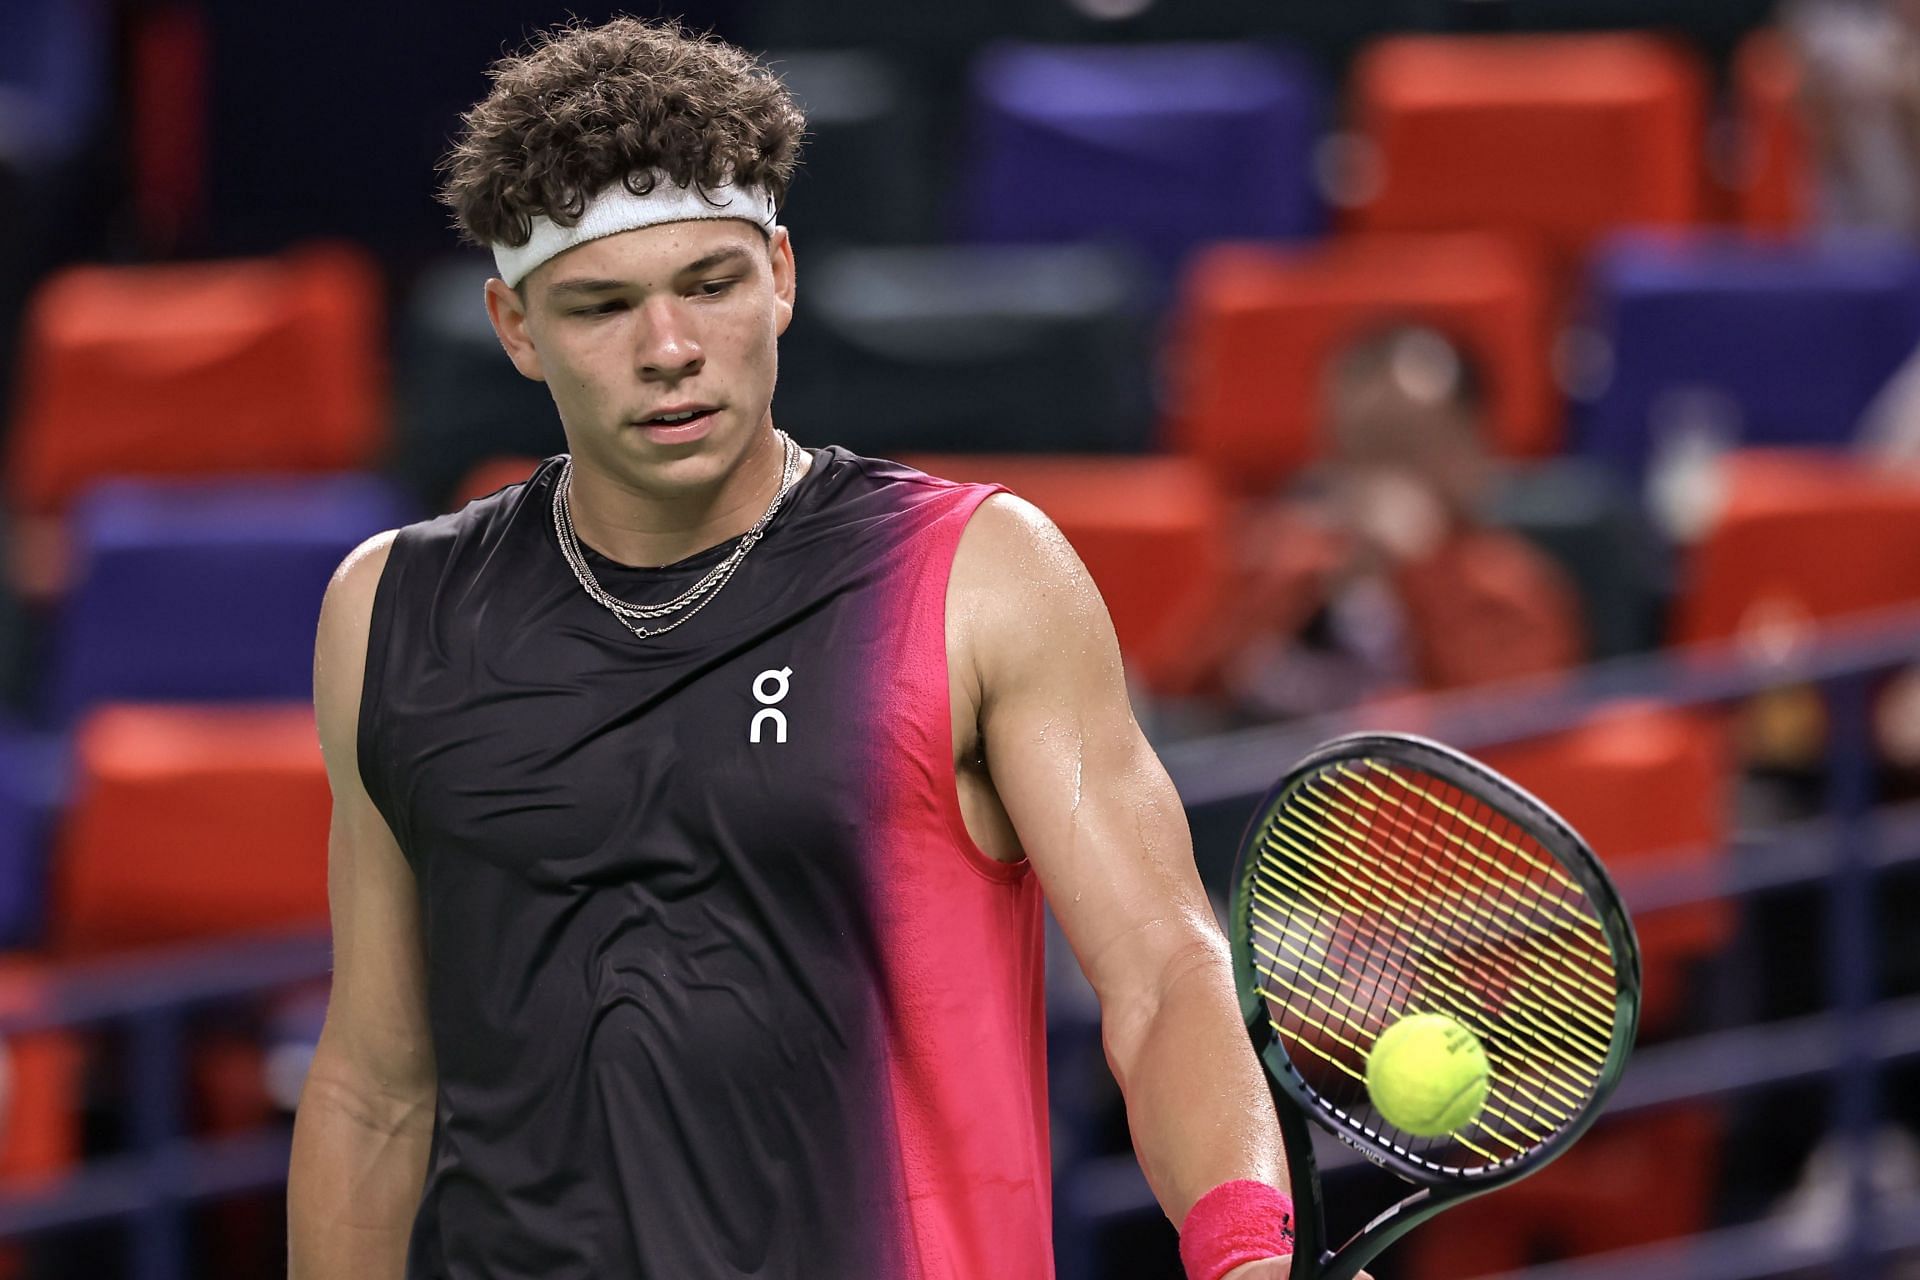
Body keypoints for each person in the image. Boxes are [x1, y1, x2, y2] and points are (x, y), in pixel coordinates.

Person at [285, 18, 1299, 1280]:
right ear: (515, 326)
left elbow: (1160, 969)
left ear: (781, 275)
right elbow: (378, 1083)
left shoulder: (977, 575)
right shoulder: (391, 610)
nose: (668, 350)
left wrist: (1247, 1247)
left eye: (708, 284)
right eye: (601, 306)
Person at [1158, 325, 1583, 724]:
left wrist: (1423, 568)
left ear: (1474, 450)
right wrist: (1291, 591)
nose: (1379, 474)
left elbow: (1506, 737)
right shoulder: (1278, 562)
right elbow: (1178, 699)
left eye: (1405, 445)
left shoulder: (1509, 589)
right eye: (1358, 445)